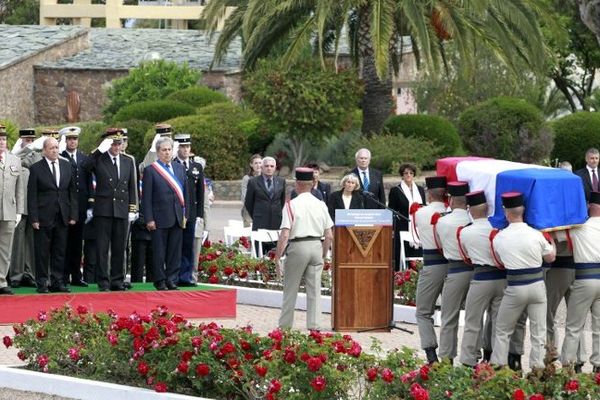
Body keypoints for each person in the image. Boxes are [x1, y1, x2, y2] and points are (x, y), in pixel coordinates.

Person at [490, 192, 555, 370]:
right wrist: (552, 242)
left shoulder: (499, 237)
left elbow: (500, 261)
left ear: (505, 212)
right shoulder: (536, 234)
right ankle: (538, 369)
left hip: (515, 287)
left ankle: (499, 367)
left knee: (503, 330)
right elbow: (550, 257)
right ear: (523, 210)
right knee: (538, 331)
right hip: (537, 285)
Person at [275, 167, 334, 330]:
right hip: (316, 244)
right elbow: (329, 235)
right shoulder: (321, 204)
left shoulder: (291, 205)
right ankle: (314, 326)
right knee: (315, 290)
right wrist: (322, 254)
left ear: (298, 184)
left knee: (291, 288)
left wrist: (277, 256)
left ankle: (285, 326)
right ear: (312, 184)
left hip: (298, 246)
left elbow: (285, 234)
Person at [83, 128, 138, 291]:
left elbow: (132, 186)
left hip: (121, 209)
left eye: (119, 143)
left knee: (119, 247)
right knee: (102, 247)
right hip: (104, 210)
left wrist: (132, 208)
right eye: (113, 143)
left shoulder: (128, 161)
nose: (116, 147)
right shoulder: (99, 159)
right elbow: (85, 166)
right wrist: (99, 150)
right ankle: (103, 281)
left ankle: (117, 280)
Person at [458, 191, 507, 366]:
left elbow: (466, 257)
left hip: (480, 278)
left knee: (473, 322)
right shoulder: (498, 229)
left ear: (470, 210)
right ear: (487, 208)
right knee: (498, 323)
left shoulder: (465, 232)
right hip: (502, 278)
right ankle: (497, 361)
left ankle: (468, 361)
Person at [28, 137, 77, 293]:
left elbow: (72, 192)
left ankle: (57, 281)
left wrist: (73, 214)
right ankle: (42, 282)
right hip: (43, 216)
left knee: (60, 250)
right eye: (51, 148)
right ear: (44, 150)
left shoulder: (67, 166)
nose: (55, 150)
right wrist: (34, 218)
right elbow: (32, 195)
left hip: (62, 215)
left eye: (56, 147)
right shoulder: (36, 168)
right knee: (42, 252)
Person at [560, 191, 600, 372]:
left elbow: (557, 236)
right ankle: (598, 367)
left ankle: (569, 366)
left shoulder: (578, 228)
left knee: (574, 326)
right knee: (599, 328)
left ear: (589, 207)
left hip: (585, 278)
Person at [142, 137, 187, 291]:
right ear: (158, 152)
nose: (167, 153)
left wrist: (185, 215)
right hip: (159, 218)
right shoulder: (151, 170)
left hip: (177, 217)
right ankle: (160, 280)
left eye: (169, 150)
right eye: (164, 150)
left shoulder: (180, 169)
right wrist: (149, 218)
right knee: (159, 252)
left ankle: (172, 279)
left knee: (175, 252)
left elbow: (185, 195)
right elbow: (146, 198)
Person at [435, 181, 472, 363]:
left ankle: (447, 357)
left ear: (450, 200)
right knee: (475, 319)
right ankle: (472, 358)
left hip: (455, 270)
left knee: (449, 317)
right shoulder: (473, 221)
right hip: (477, 271)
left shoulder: (442, 221)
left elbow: (440, 247)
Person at [414, 176, 448, 364]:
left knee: (423, 311)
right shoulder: (454, 213)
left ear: (428, 193)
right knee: (450, 314)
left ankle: (431, 355)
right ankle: (449, 354)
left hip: (433, 264)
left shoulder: (421, 213)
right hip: (454, 266)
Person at [59, 126, 90, 287]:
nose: (72, 142)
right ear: (65, 141)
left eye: (75, 139)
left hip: (81, 206)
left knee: (78, 243)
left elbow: (88, 182)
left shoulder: (84, 158)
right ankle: (64, 276)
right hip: (66, 207)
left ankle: (77, 276)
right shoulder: (60, 157)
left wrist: (90, 203)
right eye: (70, 139)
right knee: (64, 243)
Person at [173, 133, 204, 286]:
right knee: (174, 245)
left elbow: (200, 193)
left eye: (187, 147)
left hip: (190, 213)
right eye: (182, 147)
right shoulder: (171, 165)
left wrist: (199, 215)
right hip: (175, 213)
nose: (185, 150)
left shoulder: (196, 167)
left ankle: (186, 277)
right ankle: (173, 275)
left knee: (188, 246)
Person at [8, 128, 37, 288]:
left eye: (32, 140)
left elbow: (34, 162)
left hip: (33, 205)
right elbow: (14, 162)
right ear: (21, 140)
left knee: (31, 242)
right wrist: (23, 149)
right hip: (19, 206)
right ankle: (16, 275)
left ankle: (30, 273)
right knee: (17, 243)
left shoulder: (36, 155)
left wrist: (30, 150)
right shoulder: (14, 155)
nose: (30, 142)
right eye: (27, 140)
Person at [0, 125, 25, 295]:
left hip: (9, 209)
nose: (0, 142)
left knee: (5, 248)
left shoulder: (15, 160)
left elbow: (20, 189)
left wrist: (19, 211)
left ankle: (1, 280)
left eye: (2, 139)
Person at [388, 163, 426, 268]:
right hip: (402, 226)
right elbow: (391, 211)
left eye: (411, 173)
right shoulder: (395, 191)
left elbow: (424, 207)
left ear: (414, 174)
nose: (408, 175)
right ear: (402, 175)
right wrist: (391, 229)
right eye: (406, 173)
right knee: (402, 253)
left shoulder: (420, 190)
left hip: (418, 226)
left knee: (418, 254)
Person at [244, 156, 286, 252]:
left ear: (275, 168)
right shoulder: (253, 182)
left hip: (276, 222)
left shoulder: (281, 181)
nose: (269, 168)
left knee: (275, 254)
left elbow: (282, 201)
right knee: (259, 253)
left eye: (272, 166)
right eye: (266, 166)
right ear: (262, 167)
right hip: (260, 222)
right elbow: (248, 203)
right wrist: (257, 214)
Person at [241, 154, 262, 227]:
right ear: (251, 165)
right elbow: (244, 197)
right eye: (256, 163)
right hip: (249, 212)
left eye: (260, 163)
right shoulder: (247, 178)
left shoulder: (266, 178)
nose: (258, 165)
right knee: (250, 235)